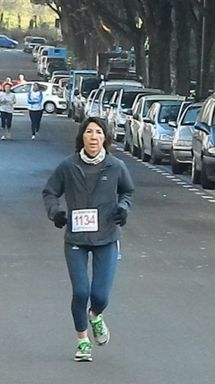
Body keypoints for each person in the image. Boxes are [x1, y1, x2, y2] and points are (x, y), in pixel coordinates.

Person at [42, 117, 134, 362]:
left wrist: (123, 208)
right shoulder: (68, 166)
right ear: (82, 136)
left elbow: (127, 191)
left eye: (99, 133)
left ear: (105, 138)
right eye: (89, 132)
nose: (93, 137)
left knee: (100, 296)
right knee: (81, 292)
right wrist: (56, 213)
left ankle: (96, 316)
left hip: (106, 237)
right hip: (76, 238)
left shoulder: (115, 166)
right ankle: (82, 341)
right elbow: (50, 192)